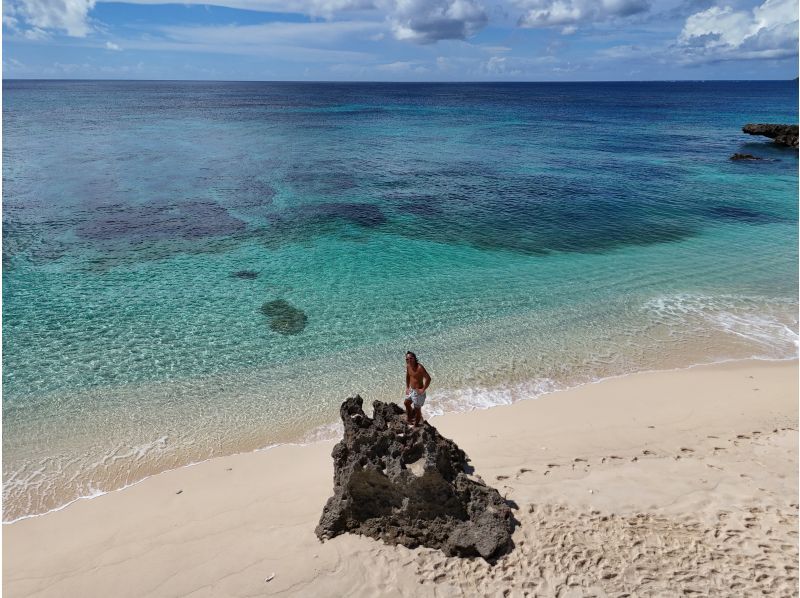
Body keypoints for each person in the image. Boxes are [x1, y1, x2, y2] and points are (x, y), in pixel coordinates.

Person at [404, 351, 431, 427]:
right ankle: (409, 420)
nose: (409, 360)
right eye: (407, 359)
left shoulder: (420, 368)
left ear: (415, 358)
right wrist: (407, 387)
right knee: (406, 403)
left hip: (418, 392)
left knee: (417, 410)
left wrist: (423, 389)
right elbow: (408, 376)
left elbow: (428, 378)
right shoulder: (408, 366)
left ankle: (416, 425)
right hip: (411, 390)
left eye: (411, 358)